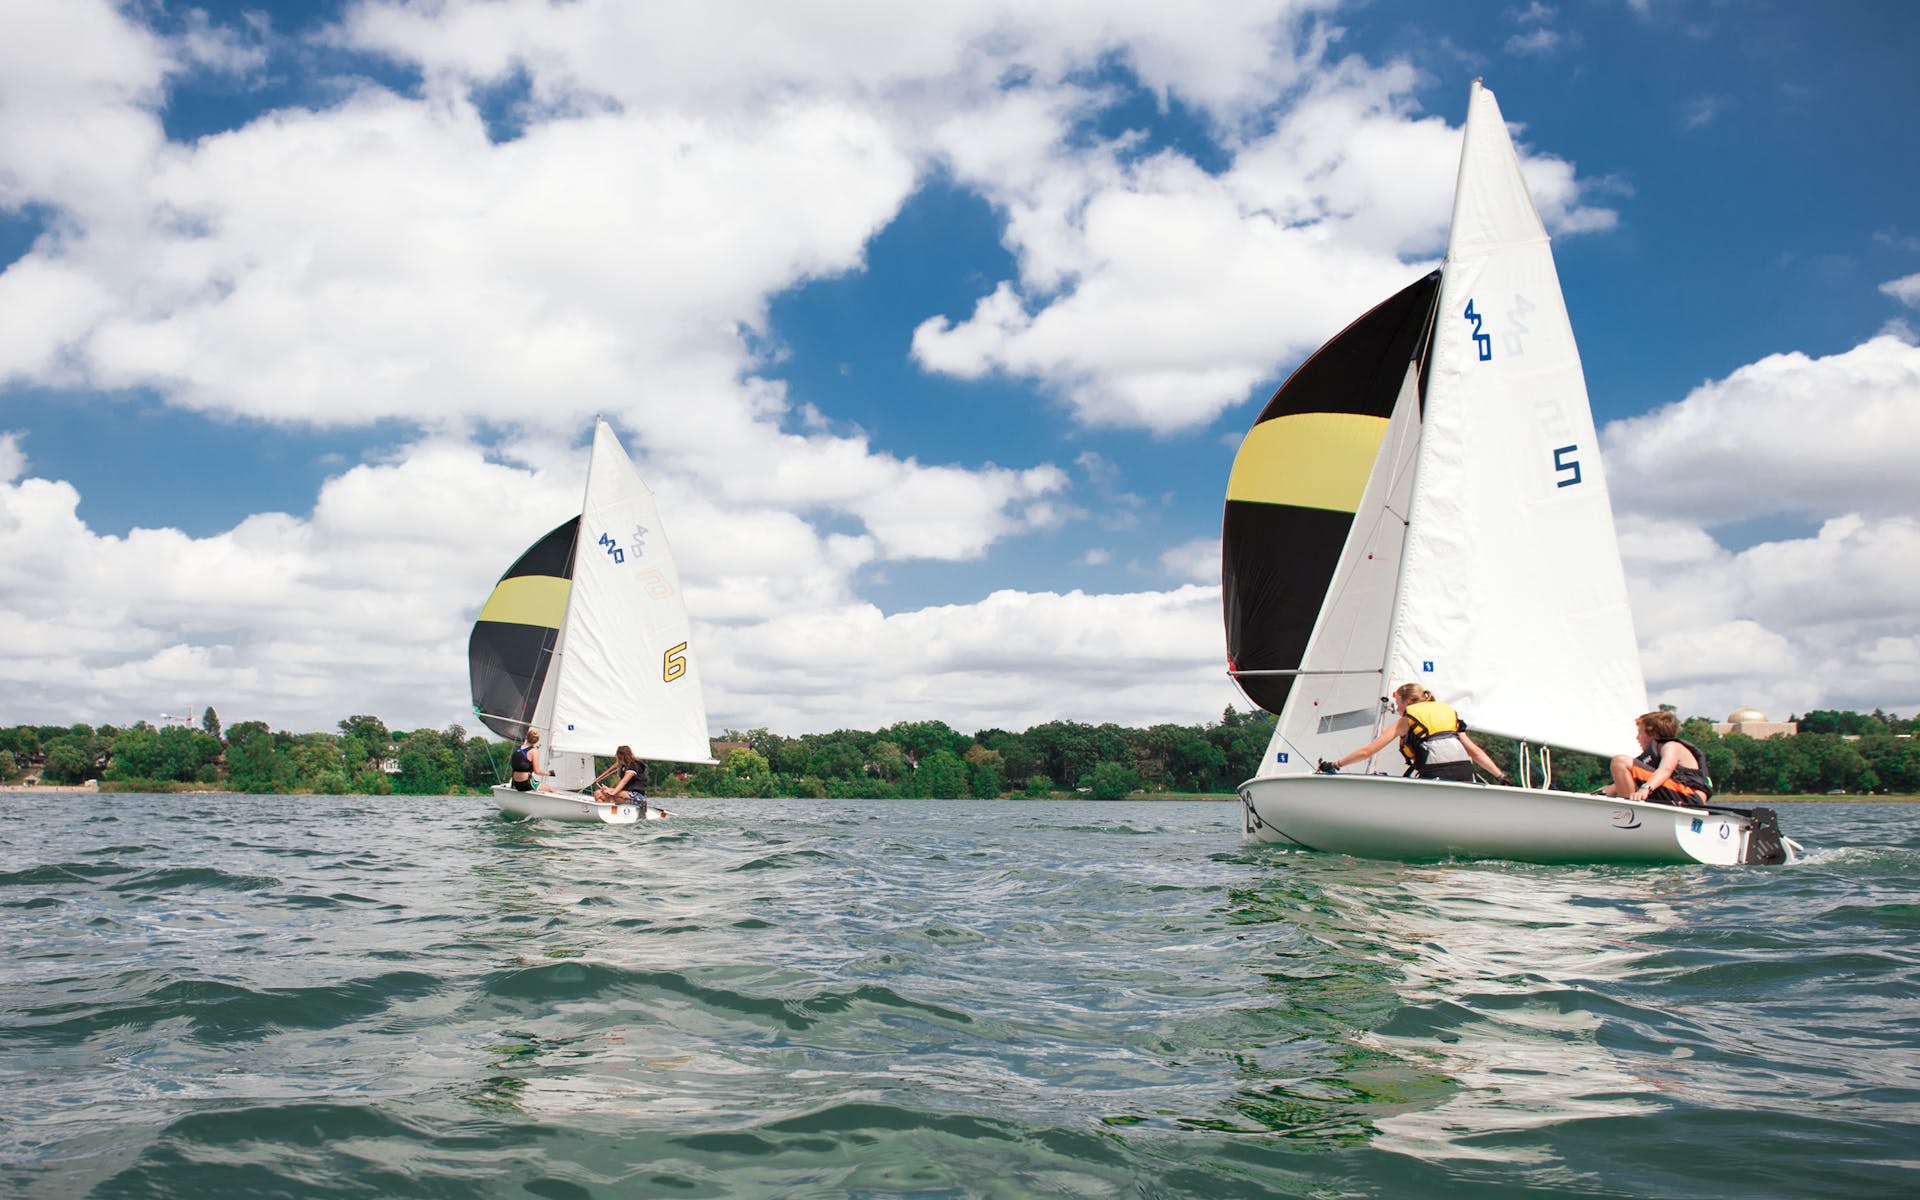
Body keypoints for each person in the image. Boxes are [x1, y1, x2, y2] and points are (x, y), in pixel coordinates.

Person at [1319, 682, 1508, 783]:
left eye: (1399, 703)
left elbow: (1367, 751)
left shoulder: (1406, 720)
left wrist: (1336, 764)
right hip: (1465, 774)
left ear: (1408, 702)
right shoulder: (1448, 714)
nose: (1397, 708)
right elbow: (1474, 752)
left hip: (1436, 776)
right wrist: (1500, 776)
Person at [1600, 710, 1712, 807]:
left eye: (1640, 732)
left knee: (1620, 761)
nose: (1637, 738)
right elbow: (1630, 778)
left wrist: (1645, 788)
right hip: (1680, 794)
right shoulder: (1655, 755)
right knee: (1620, 777)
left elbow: (1665, 770)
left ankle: (1628, 813)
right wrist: (1604, 791)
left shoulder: (1671, 746)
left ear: (1652, 733)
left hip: (1690, 797)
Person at [592, 745, 650, 815]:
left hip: (636, 796)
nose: (617, 759)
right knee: (597, 793)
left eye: (617, 756)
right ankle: (602, 814)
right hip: (625, 794)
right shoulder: (624, 765)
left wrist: (612, 792)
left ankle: (612, 814)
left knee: (610, 794)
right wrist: (598, 779)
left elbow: (624, 781)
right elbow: (613, 767)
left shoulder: (634, 765)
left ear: (622, 756)